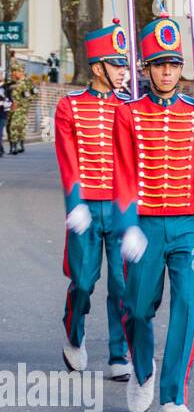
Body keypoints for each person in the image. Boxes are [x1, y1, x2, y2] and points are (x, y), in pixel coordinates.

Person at [113, 13, 194, 412]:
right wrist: (127, 224)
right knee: (138, 309)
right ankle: (143, 368)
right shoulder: (128, 113)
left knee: (186, 306)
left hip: (188, 227)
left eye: (174, 64)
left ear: (182, 68)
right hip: (144, 224)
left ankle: (173, 397)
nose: (167, 71)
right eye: (159, 64)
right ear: (146, 68)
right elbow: (122, 173)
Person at [54, 21, 133, 380]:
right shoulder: (70, 107)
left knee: (121, 283)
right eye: (116, 65)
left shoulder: (130, 107)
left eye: (124, 65)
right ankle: (74, 334)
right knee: (83, 282)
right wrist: (76, 204)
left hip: (118, 209)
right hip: (85, 207)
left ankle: (119, 353)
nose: (122, 72)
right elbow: (67, 160)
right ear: (98, 67)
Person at [7, 64, 35, 154]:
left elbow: (32, 94)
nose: (14, 73)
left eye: (16, 71)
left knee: (15, 126)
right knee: (9, 127)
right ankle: (13, 146)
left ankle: (16, 146)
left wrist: (21, 104)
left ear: (20, 72)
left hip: (20, 108)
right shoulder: (11, 82)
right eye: (13, 72)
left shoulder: (27, 82)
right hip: (9, 107)